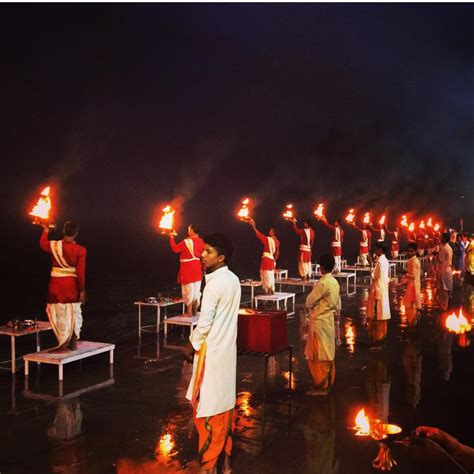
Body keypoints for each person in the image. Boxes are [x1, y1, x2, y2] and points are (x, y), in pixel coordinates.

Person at [184, 234, 240, 474]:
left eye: (208, 251)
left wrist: (191, 344)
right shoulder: (234, 279)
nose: (202, 255)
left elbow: (205, 323)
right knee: (225, 404)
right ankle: (225, 462)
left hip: (212, 352)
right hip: (227, 350)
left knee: (206, 408)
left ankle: (208, 467)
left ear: (221, 257)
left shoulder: (214, 284)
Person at [40, 221, 86, 351]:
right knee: (73, 311)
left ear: (63, 232)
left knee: (60, 312)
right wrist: (82, 290)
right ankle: (73, 342)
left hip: (56, 284)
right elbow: (80, 272)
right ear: (76, 234)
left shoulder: (54, 245)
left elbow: (42, 244)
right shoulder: (80, 250)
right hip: (71, 284)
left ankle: (63, 344)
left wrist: (45, 230)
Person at [304, 254, 340, 396]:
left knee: (318, 354)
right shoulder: (335, 282)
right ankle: (325, 384)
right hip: (328, 321)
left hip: (319, 321)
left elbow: (308, 301)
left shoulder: (323, 283)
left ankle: (321, 386)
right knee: (327, 352)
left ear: (322, 267)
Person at [169, 224, 205, 316]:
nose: (188, 231)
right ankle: (195, 311)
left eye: (189, 229)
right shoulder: (202, 242)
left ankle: (189, 312)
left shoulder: (186, 242)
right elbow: (203, 257)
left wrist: (171, 237)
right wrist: (203, 268)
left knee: (188, 290)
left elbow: (175, 249)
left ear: (192, 231)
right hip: (197, 268)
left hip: (187, 268)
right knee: (197, 290)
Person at [367, 242, 391, 347]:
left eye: (376, 249)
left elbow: (373, 276)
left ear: (380, 250)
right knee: (381, 317)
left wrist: (371, 263)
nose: (375, 251)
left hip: (378, 292)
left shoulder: (380, 262)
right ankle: (380, 338)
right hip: (383, 290)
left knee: (377, 316)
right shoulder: (385, 261)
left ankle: (377, 340)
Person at [247, 218, 280, 294]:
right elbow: (277, 253)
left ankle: (268, 291)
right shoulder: (277, 241)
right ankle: (271, 290)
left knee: (266, 275)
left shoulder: (268, 240)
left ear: (273, 233)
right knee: (270, 275)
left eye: (271, 231)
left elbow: (259, 235)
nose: (269, 232)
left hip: (266, 259)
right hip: (271, 260)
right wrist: (274, 260)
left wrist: (254, 227)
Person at [400, 243, 421, 328]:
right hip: (411, 285)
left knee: (412, 307)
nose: (409, 253)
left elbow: (413, 276)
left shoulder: (415, 262)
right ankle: (411, 324)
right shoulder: (411, 260)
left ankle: (412, 325)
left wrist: (404, 272)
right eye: (408, 251)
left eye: (411, 251)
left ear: (415, 252)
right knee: (409, 307)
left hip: (414, 287)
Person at [436, 232, 453, 311]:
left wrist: (436, 255)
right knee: (447, 290)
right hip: (447, 270)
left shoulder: (444, 248)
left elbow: (440, 259)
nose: (440, 239)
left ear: (445, 239)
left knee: (443, 290)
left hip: (444, 270)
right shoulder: (449, 248)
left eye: (441, 237)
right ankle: (447, 308)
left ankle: (445, 309)